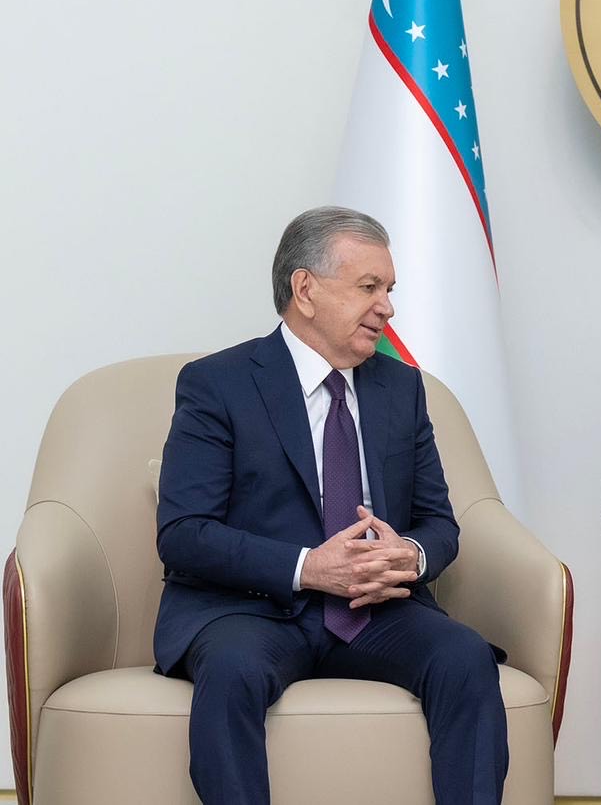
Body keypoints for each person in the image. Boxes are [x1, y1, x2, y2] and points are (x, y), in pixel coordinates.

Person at [154, 206, 507, 804]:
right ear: (305, 290)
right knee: (232, 671)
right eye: (369, 287)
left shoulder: (402, 388)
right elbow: (184, 533)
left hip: (375, 611)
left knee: (465, 655)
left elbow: (438, 522)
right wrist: (308, 568)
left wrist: (411, 555)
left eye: (390, 289)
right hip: (252, 610)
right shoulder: (218, 383)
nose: (387, 307)